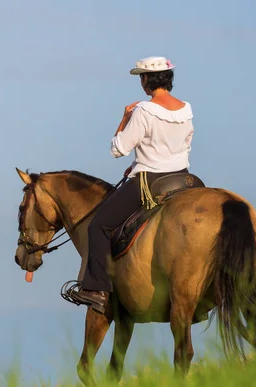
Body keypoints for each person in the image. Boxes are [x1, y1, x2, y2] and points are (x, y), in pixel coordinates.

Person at [69, 56, 195, 314]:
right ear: (169, 79)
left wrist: (124, 119)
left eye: (141, 77)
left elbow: (118, 149)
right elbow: (183, 145)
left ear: (147, 80)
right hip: (184, 178)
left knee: (99, 226)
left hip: (150, 181)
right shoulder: (186, 109)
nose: (141, 81)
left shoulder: (143, 111)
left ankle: (97, 289)